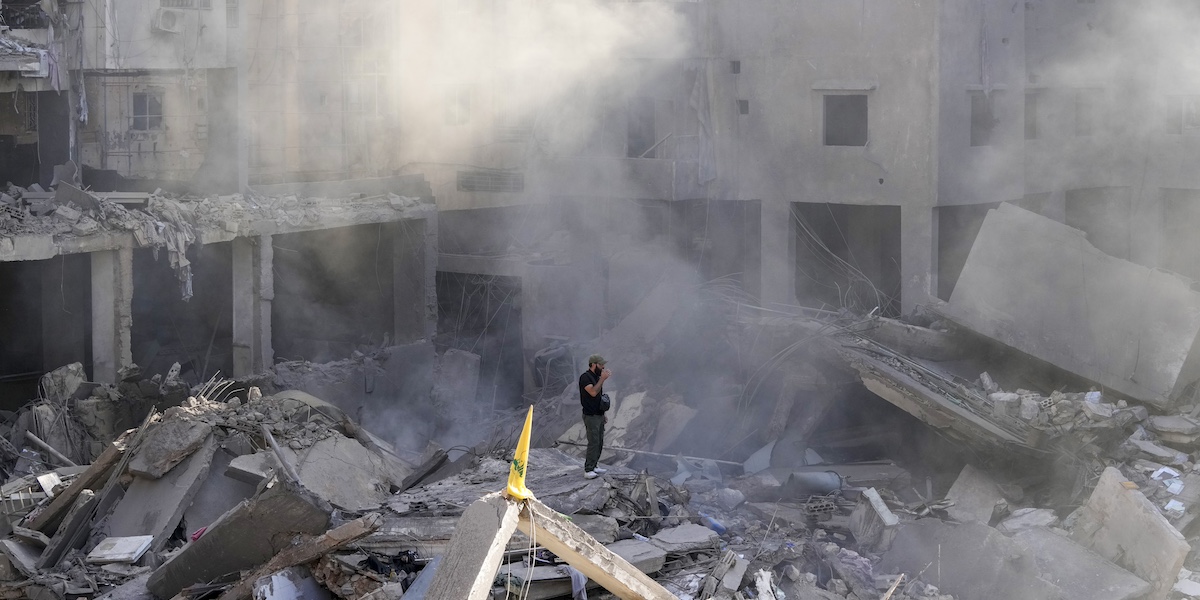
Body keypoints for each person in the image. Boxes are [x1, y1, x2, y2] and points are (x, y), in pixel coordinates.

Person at [579, 354, 611, 479]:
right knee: (593, 442)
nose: (603, 367)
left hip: (598, 414)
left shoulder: (596, 377)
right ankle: (588, 470)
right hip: (591, 415)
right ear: (593, 364)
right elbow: (593, 392)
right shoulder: (585, 377)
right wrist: (602, 379)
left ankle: (594, 465)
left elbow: (598, 398)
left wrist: (604, 414)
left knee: (600, 441)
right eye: (601, 364)